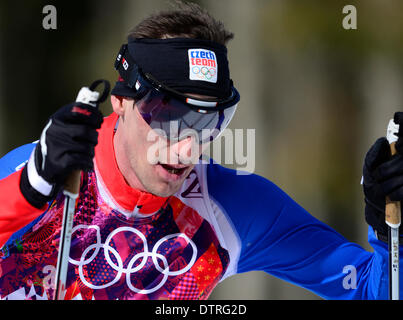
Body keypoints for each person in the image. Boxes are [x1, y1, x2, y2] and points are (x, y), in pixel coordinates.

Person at [0, 2, 403, 301]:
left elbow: (372, 289)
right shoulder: (40, 176)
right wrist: (29, 191)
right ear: (120, 101)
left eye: (208, 122)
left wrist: (390, 231)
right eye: (169, 114)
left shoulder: (229, 207)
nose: (187, 145)